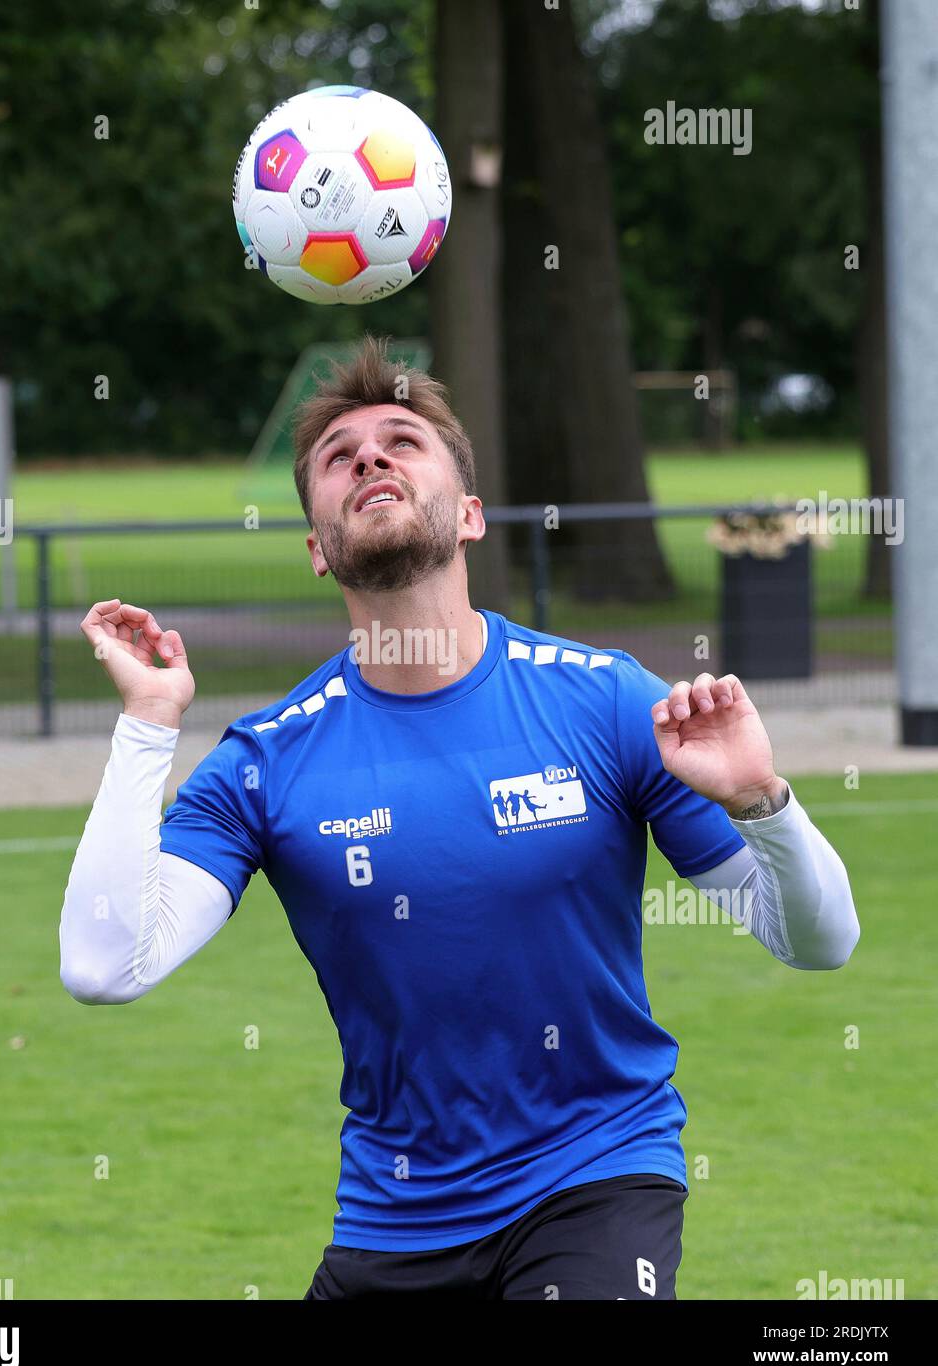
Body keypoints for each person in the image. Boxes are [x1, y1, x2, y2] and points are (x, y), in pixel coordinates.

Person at [59, 336, 860, 1300]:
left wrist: (764, 803)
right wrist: (149, 727)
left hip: (596, 1181)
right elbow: (104, 966)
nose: (371, 458)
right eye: (338, 455)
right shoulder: (266, 762)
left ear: (471, 515)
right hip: (394, 1218)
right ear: (317, 546)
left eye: (403, 439)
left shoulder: (605, 702)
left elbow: (821, 942)